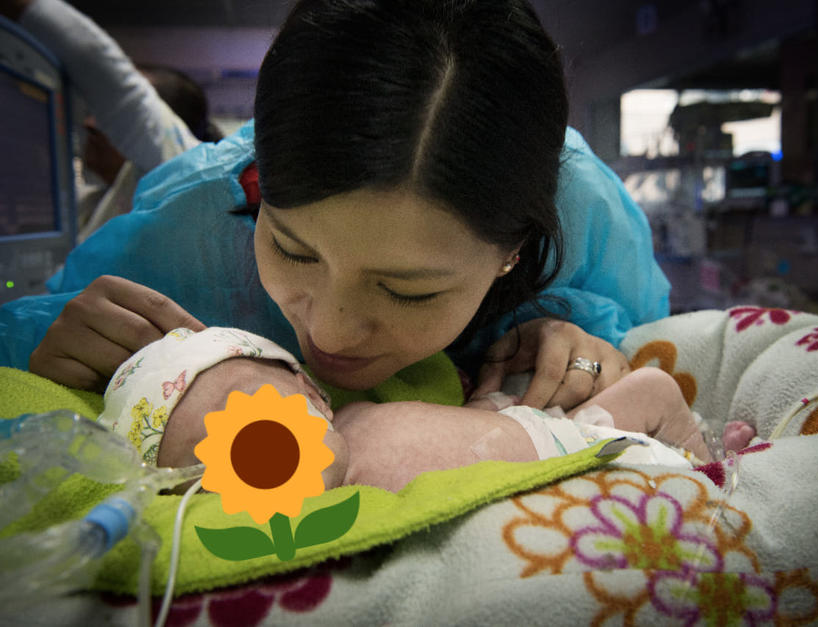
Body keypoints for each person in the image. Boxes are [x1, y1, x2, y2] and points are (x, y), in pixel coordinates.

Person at [0, 0, 671, 416]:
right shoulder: (197, 218)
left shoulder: (580, 209)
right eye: (292, 248)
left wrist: (588, 343)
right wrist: (49, 345)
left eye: (407, 289)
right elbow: (37, 339)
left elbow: (663, 347)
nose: (332, 332)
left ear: (514, 250)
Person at [99, 327, 721, 494]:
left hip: (560, 435)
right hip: (563, 475)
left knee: (654, 390)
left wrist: (487, 403)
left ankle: (707, 457)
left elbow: (454, 417)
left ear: (312, 392)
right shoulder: (332, 513)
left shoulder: (360, 417)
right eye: (204, 465)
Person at [0, 0, 219, 242]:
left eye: (111, 115)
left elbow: (99, 64)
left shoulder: (176, 162)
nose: (90, 124)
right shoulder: (95, 203)